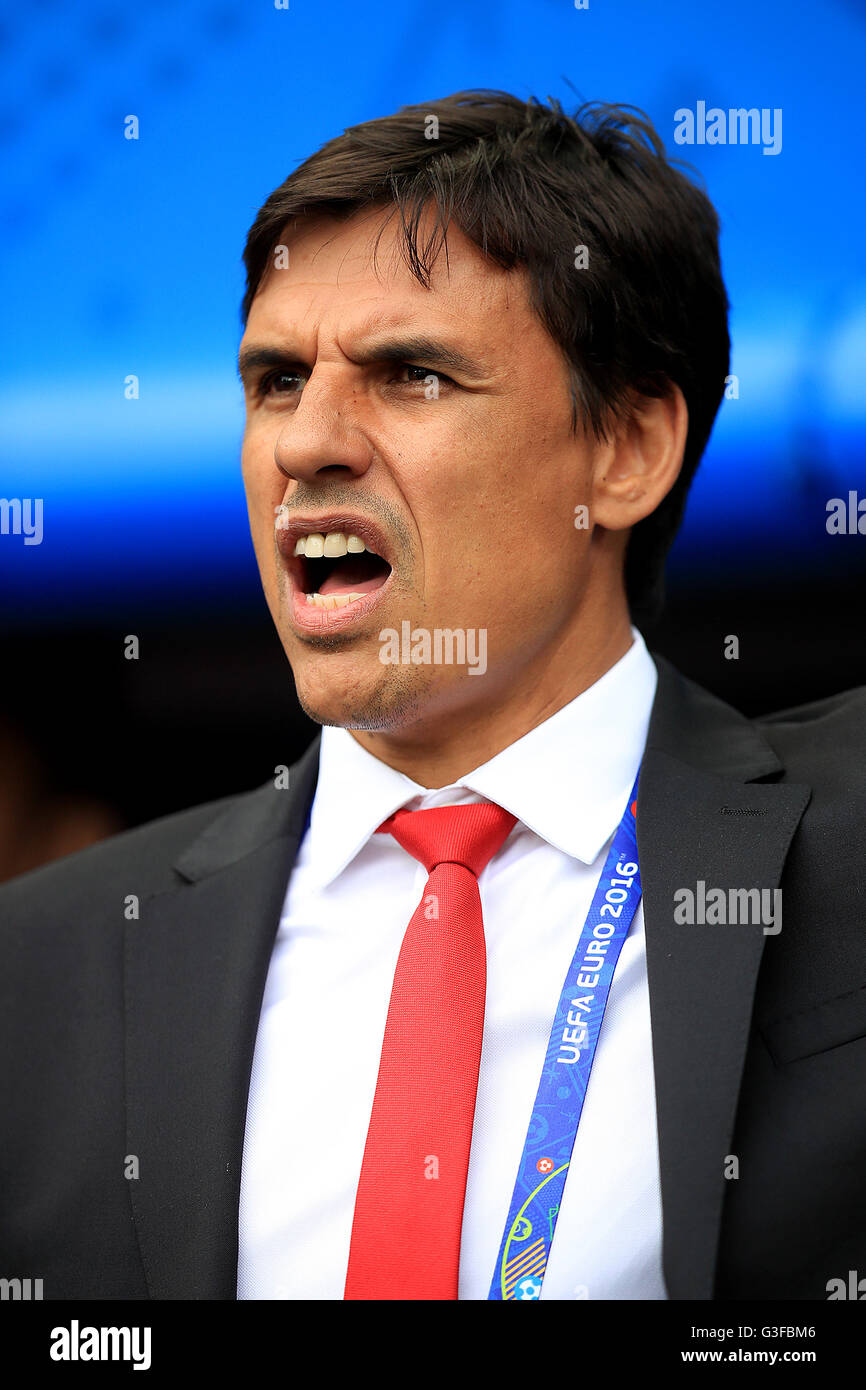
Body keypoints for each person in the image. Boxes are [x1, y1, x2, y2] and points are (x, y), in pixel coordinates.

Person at [1, 90, 863, 1303]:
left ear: (624, 448)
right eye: (274, 380)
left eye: (408, 374)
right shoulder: (38, 971)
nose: (306, 442)